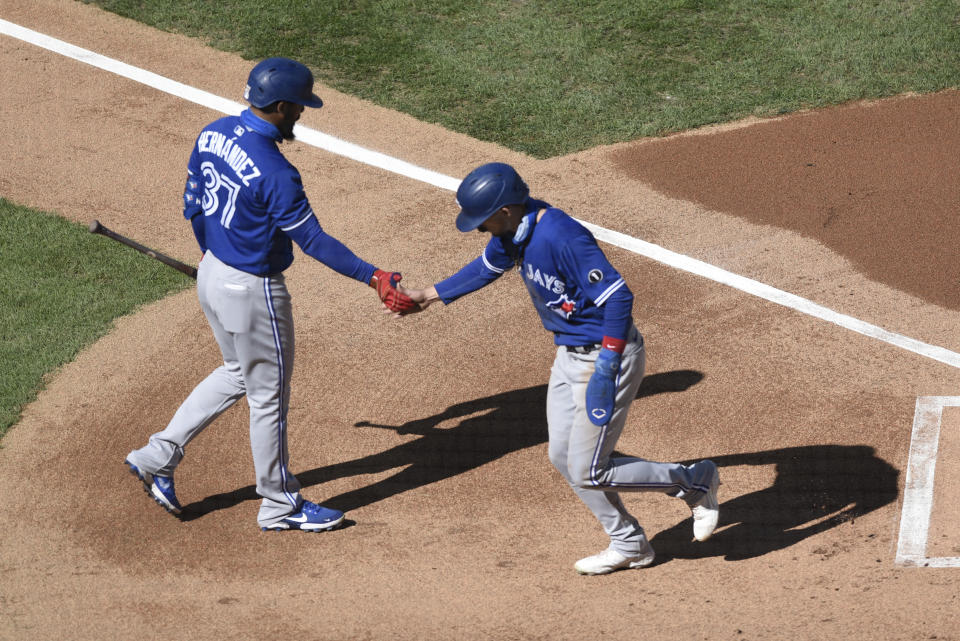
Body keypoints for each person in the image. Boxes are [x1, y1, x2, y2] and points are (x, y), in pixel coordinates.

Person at [124, 57, 414, 532]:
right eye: (298, 107)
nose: (301, 114)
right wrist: (373, 275)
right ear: (280, 105)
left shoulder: (211, 133)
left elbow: (194, 205)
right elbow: (314, 240)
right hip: (252, 291)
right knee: (268, 398)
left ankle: (157, 456)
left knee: (236, 372)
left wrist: (209, 253)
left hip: (213, 274)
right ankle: (280, 504)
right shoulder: (276, 171)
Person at [398, 162, 720, 574]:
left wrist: (608, 361)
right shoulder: (514, 231)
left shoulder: (562, 235)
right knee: (563, 457)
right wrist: (428, 294)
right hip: (569, 355)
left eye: (484, 221)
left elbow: (619, 297)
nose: (481, 229)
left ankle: (694, 482)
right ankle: (631, 544)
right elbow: (486, 268)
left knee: (589, 467)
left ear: (507, 209)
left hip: (608, 356)